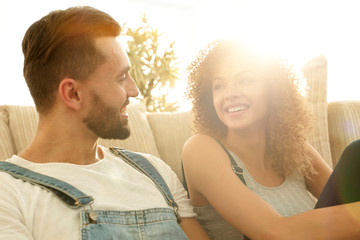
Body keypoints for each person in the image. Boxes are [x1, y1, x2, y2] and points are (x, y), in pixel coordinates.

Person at [0, 6, 209, 240]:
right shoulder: (8, 194)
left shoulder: (155, 172)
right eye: (121, 78)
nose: (135, 90)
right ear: (73, 94)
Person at [182, 39, 360, 239]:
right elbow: (273, 232)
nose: (230, 94)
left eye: (245, 80)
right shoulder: (200, 149)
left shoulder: (296, 150)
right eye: (219, 86)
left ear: (273, 91)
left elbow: (348, 201)